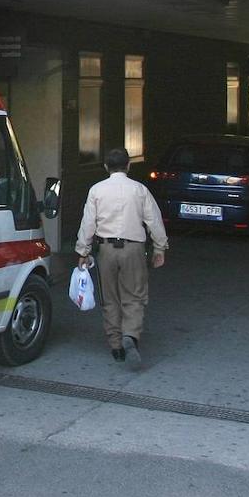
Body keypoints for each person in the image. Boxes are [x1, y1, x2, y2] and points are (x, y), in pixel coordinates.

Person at [74, 147, 168, 367]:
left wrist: (83, 251)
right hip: (134, 248)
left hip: (106, 249)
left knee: (110, 298)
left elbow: (88, 223)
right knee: (134, 296)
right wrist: (160, 248)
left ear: (106, 166)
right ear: (128, 165)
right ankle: (130, 335)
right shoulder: (140, 190)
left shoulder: (96, 190)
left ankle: (115, 345)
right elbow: (154, 220)